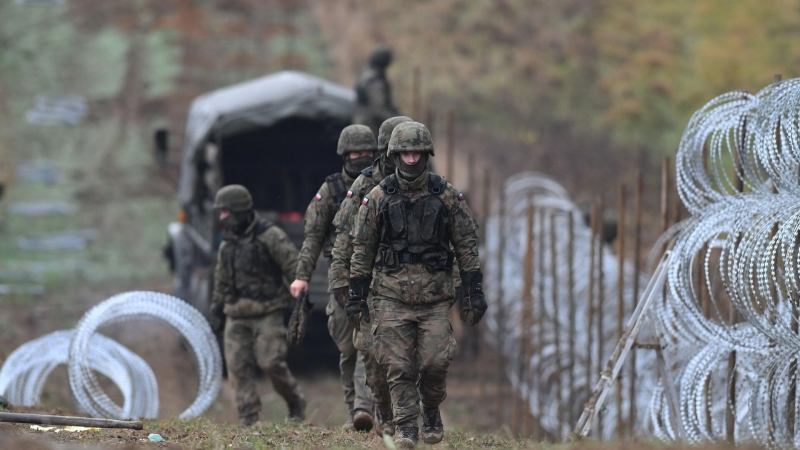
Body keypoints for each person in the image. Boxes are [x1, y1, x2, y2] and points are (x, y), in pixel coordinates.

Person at [348, 122, 487, 447]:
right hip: (390, 298)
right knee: (397, 366)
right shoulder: (378, 197)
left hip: (435, 299)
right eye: (405, 152)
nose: (411, 159)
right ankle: (407, 427)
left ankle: (432, 408)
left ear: (426, 154)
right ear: (396, 155)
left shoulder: (447, 196)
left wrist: (473, 289)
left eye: (417, 152)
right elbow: (362, 248)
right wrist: (356, 293)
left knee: (435, 362)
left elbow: (466, 243)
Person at [328, 115, 413, 436]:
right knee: (367, 347)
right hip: (371, 280)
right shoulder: (364, 185)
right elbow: (344, 238)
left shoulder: (427, 186)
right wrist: (342, 281)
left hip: (410, 283)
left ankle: (399, 416)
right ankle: (368, 409)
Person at [289, 124, 377, 431]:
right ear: (344, 154)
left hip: (377, 277)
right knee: (347, 346)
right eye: (356, 152)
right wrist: (302, 277)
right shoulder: (331, 191)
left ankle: (367, 408)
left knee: (370, 343)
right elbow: (312, 238)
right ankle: (355, 409)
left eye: (368, 152)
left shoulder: (383, 186)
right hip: (340, 277)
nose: (362, 157)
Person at [208, 184, 305, 426]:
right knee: (238, 368)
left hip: (267, 310)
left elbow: (293, 265)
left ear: (239, 211)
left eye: (225, 212)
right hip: (236, 313)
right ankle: (250, 420)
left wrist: (301, 294)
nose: (222, 217)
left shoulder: (269, 235)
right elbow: (221, 280)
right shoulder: (226, 244)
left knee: (271, 361)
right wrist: (217, 309)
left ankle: (294, 399)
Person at [353, 45, 400, 137]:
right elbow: (379, 108)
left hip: (362, 123)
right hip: (372, 127)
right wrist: (396, 122)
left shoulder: (365, 74)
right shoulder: (374, 80)